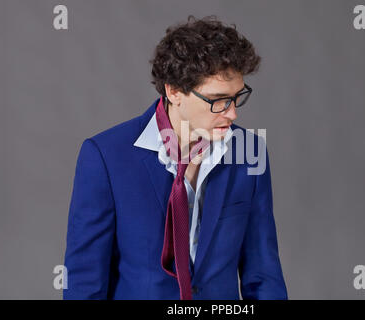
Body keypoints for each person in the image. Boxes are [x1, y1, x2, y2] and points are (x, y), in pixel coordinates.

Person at [63, 15, 288, 300]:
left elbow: (264, 274)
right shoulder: (106, 157)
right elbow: (84, 281)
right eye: (218, 100)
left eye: (236, 97)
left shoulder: (249, 152)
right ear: (174, 91)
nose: (232, 113)